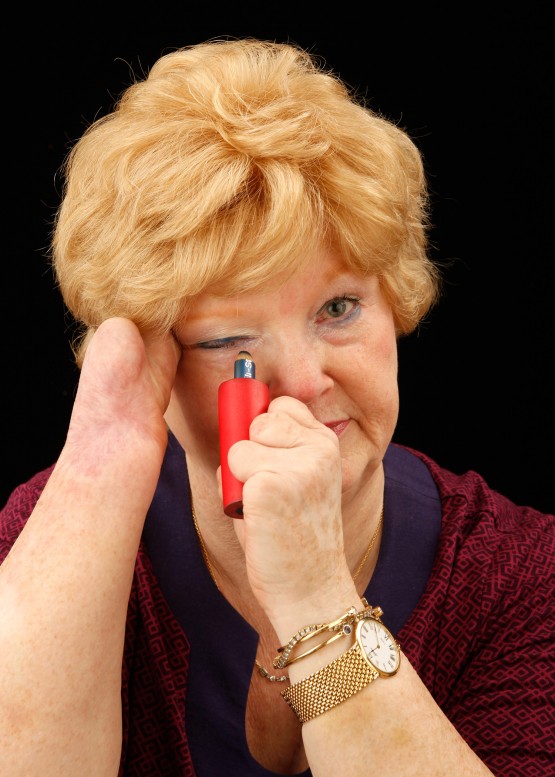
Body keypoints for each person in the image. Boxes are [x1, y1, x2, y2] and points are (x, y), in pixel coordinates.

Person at [0, 37, 553, 777]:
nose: (301, 382)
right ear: (151, 360)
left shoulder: (518, 571)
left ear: (395, 297)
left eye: (338, 307)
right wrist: (101, 464)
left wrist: (315, 590)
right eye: (230, 338)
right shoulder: (48, 532)